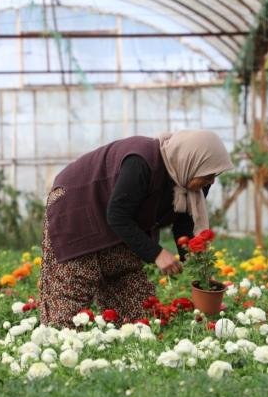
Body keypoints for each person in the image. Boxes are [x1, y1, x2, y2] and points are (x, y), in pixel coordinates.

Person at [38, 130, 233, 327]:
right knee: (68, 309)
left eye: (214, 174)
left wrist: (202, 272)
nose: (212, 181)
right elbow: (117, 214)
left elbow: (184, 226)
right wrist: (157, 254)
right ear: (192, 160)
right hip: (77, 213)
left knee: (141, 318)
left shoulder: (190, 181)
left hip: (120, 227)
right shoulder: (141, 162)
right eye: (208, 174)